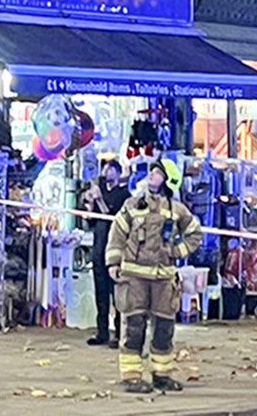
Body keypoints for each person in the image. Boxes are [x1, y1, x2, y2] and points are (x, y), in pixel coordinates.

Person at [104, 160, 203, 394]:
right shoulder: (132, 205)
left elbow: (194, 234)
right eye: (152, 172)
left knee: (164, 329)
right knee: (134, 327)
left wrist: (176, 252)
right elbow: (116, 235)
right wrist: (113, 263)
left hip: (163, 280)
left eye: (158, 173)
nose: (152, 176)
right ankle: (131, 376)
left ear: (168, 181)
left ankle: (162, 375)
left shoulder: (177, 210)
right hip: (134, 277)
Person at [83, 160, 132, 346]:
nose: (106, 172)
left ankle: (119, 333)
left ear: (119, 173)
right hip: (98, 249)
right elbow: (93, 221)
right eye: (105, 168)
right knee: (100, 293)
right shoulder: (99, 191)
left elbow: (111, 215)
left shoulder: (124, 195)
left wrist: (99, 199)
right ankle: (101, 331)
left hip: (115, 252)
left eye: (111, 169)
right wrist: (89, 204)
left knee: (117, 294)